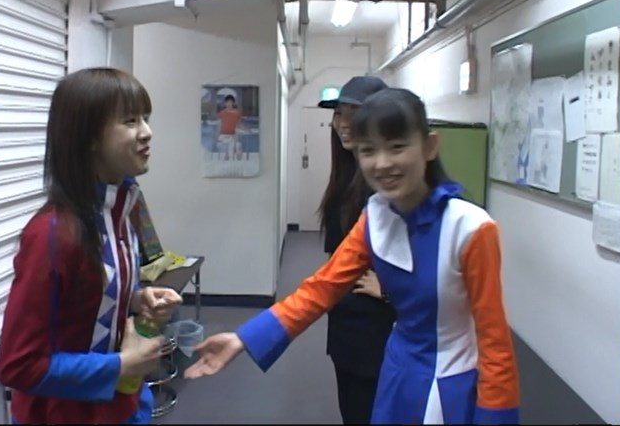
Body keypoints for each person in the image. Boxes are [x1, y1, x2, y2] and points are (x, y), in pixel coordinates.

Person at [184, 88, 520, 425]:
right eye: (368, 150)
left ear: (430, 146)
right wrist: (243, 338)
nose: (382, 163)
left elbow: (495, 346)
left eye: (397, 147)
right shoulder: (376, 217)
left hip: (450, 381)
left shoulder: (471, 228)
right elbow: (321, 288)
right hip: (397, 371)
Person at [0, 68, 183, 424]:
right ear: (90, 138)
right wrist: (120, 365)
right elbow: (18, 365)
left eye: (145, 118)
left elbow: (88, 298)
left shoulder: (121, 210)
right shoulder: (52, 234)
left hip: (122, 408)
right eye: (130, 121)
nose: (147, 132)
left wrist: (136, 298)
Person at [317, 76, 395, 424]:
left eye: (355, 114)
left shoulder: (388, 185)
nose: (344, 123)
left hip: (378, 332)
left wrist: (389, 290)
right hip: (346, 326)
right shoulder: (345, 176)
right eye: (339, 114)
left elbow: (429, 263)